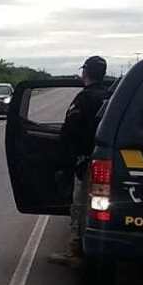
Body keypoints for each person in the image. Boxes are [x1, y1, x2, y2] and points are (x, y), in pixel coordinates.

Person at [49, 55, 109, 267]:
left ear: (86, 73)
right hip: (110, 162)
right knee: (105, 210)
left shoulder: (84, 99)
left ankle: (75, 251)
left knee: (80, 206)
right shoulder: (111, 97)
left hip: (87, 163)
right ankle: (103, 250)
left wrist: (63, 161)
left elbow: (70, 131)